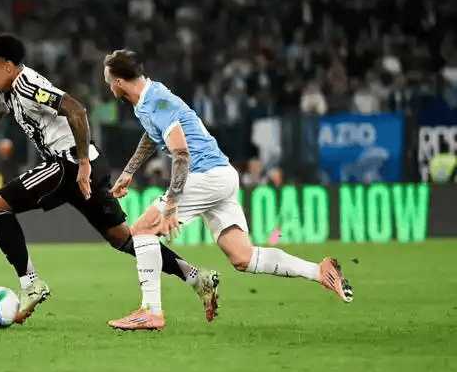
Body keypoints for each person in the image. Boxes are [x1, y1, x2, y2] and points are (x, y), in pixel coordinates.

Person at [0, 34, 217, 324]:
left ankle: (31, 284)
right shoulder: (6, 91)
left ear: (8, 66)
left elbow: (76, 110)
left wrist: (82, 164)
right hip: (86, 163)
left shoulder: (28, 86)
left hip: (69, 163)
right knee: (124, 239)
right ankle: (196, 277)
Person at [102, 49, 353, 331]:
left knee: (141, 231)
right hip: (222, 175)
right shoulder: (147, 100)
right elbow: (152, 134)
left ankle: (151, 311)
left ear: (119, 81)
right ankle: (319, 271)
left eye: (109, 82)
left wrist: (171, 201)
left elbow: (181, 151)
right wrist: (129, 171)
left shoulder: (157, 101)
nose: (109, 88)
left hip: (204, 175)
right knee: (243, 257)